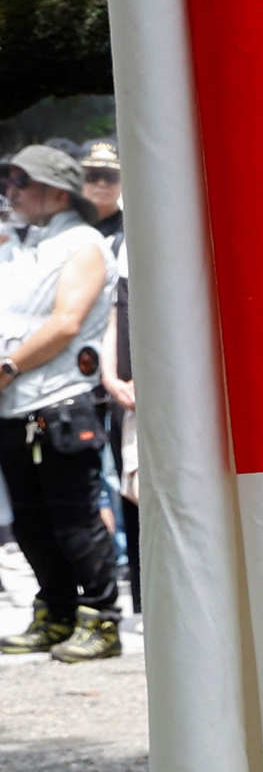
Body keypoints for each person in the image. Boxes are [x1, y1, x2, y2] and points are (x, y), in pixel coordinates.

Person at [0, 143, 121, 658]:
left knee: (74, 515)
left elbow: (66, 321)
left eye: (19, 181)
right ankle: (55, 611)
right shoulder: (20, 245)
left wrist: (7, 368)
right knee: (29, 517)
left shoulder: (83, 243)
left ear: (53, 190)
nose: (10, 190)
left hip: (60, 401)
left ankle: (101, 617)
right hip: (15, 403)